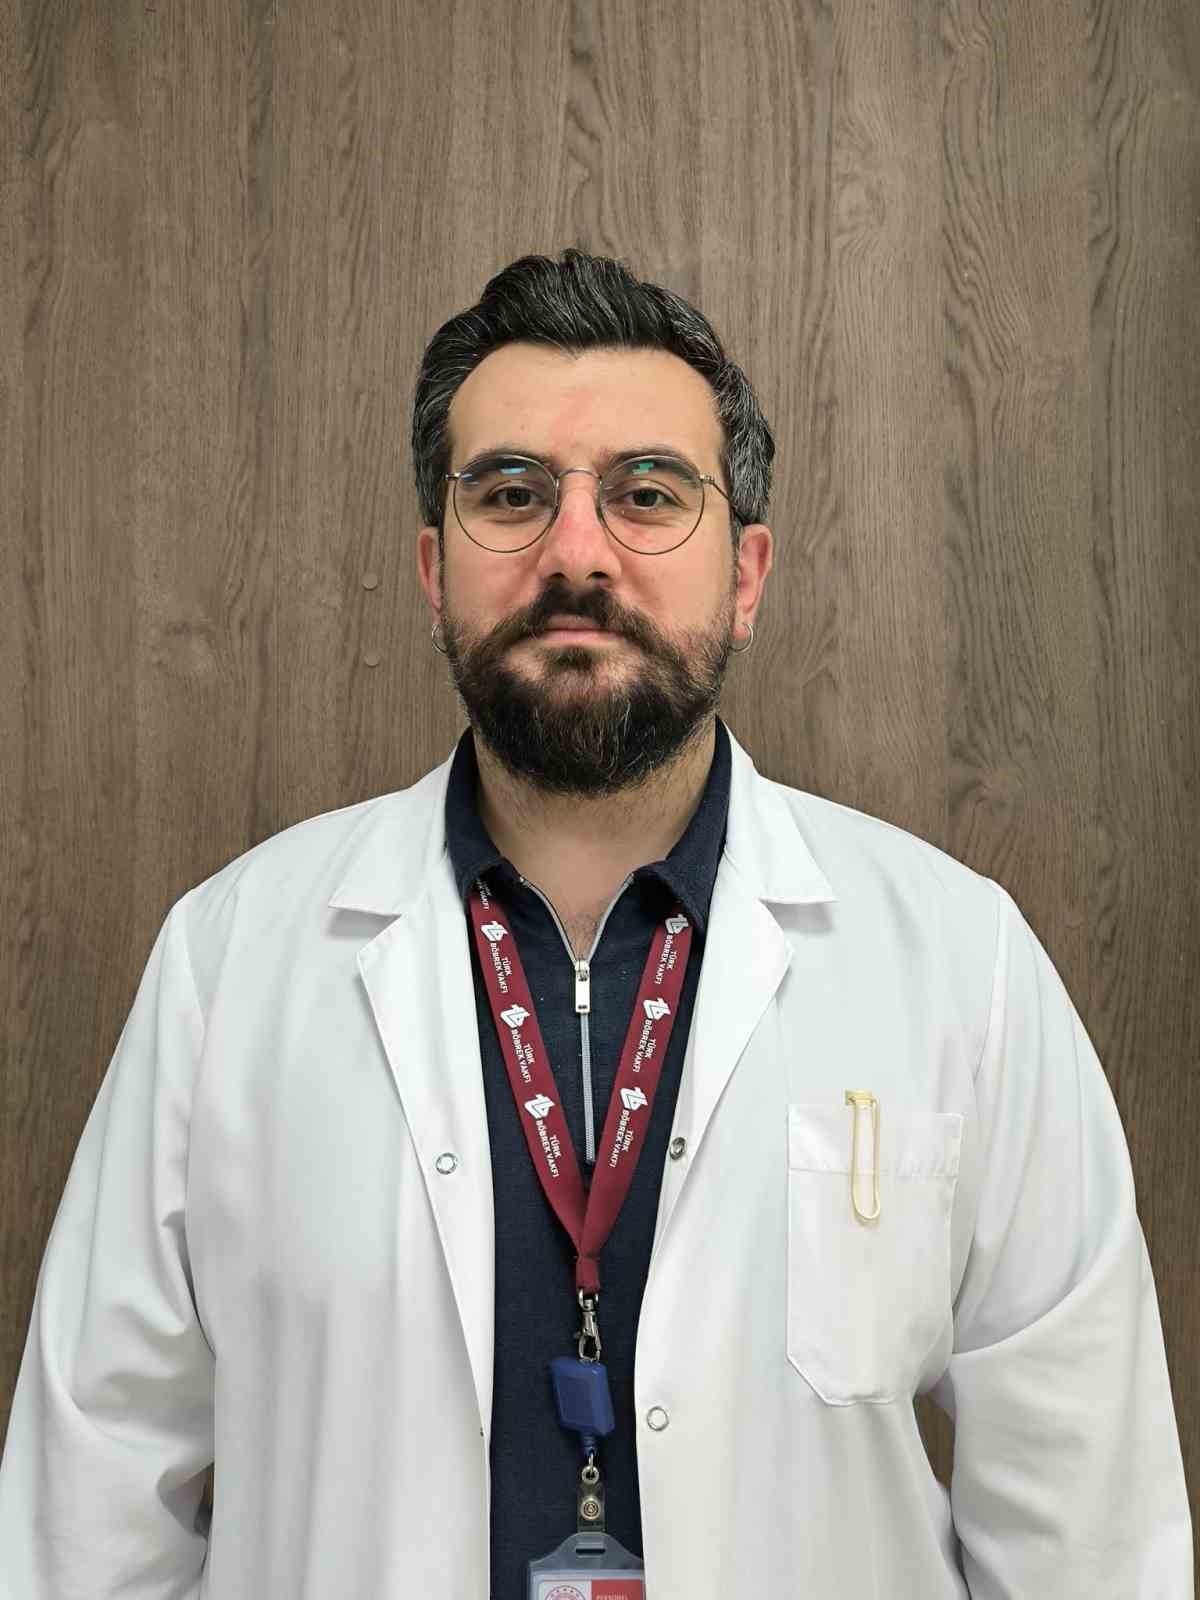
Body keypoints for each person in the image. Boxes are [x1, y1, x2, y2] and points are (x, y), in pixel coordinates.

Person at [0, 248, 1191, 1600]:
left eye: (647, 494)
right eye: (512, 494)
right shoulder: (232, 966)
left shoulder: (958, 966)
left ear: (747, 574)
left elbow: (1090, 1532)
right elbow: (89, 1508)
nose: (577, 552)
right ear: (433, 568)